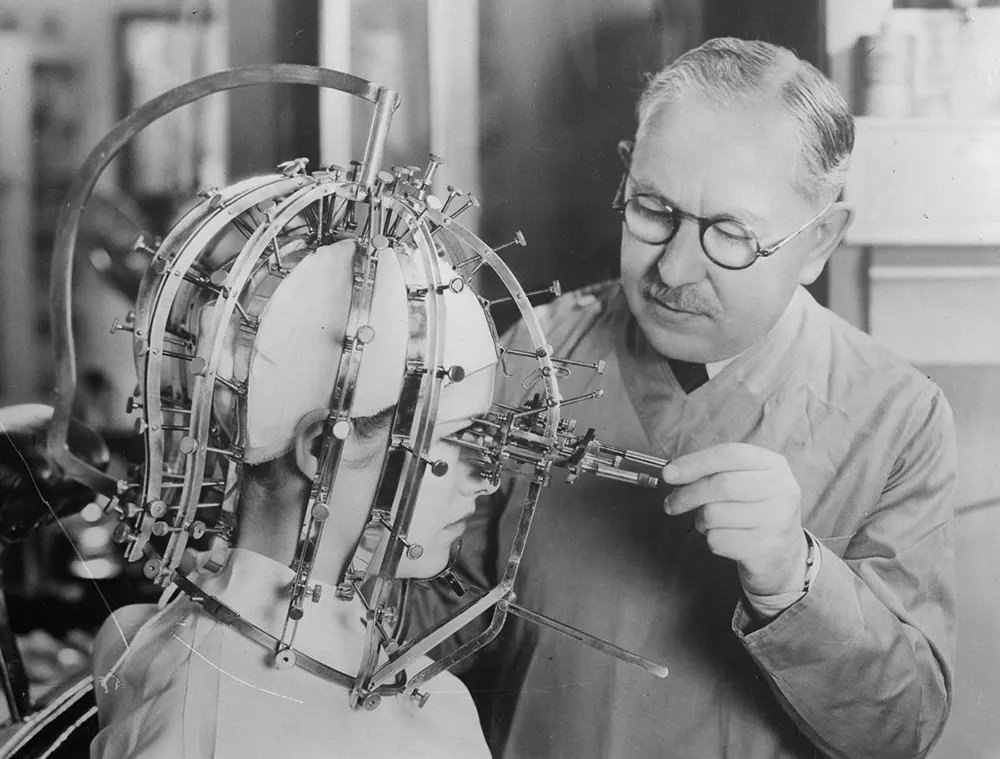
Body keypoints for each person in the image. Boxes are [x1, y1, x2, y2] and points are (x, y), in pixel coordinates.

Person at [414, 38, 956, 758]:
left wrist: (795, 579)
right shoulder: (540, 350)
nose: (672, 267)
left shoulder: (897, 418)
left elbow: (902, 730)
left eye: (730, 234)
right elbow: (441, 620)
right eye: (653, 209)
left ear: (820, 241)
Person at [89, 239, 496, 757]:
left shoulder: (129, 638)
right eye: (456, 440)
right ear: (324, 448)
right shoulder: (431, 722)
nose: (483, 481)